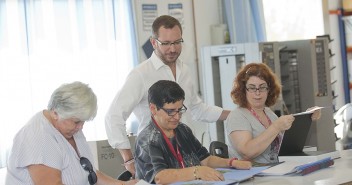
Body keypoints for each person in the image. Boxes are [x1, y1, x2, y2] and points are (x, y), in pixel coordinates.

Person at [105, 15, 230, 175]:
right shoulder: (140, 74)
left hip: (184, 154)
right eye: (166, 43)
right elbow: (113, 116)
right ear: (153, 42)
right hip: (155, 155)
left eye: (177, 42)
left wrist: (234, 114)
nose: (172, 49)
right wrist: (128, 159)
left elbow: (197, 109)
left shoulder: (184, 70)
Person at [6, 82, 137, 185]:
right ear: (55, 113)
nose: (80, 127)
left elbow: (90, 174)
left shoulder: (69, 128)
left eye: (83, 121)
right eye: (76, 122)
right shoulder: (38, 137)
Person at [134, 80, 252, 184]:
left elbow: (205, 159)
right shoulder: (147, 140)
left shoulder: (182, 130)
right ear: (153, 109)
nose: (177, 117)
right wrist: (196, 172)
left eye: (180, 110)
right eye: (170, 111)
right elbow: (160, 177)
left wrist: (231, 163)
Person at [225, 63, 321, 164]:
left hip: (275, 169)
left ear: (269, 90)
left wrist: (306, 118)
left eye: (262, 87)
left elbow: (287, 144)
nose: (257, 93)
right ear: (243, 90)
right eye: (252, 88)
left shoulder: (268, 113)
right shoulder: (237, 116)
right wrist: (276, 127)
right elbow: (247, 152)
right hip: (254, 174)